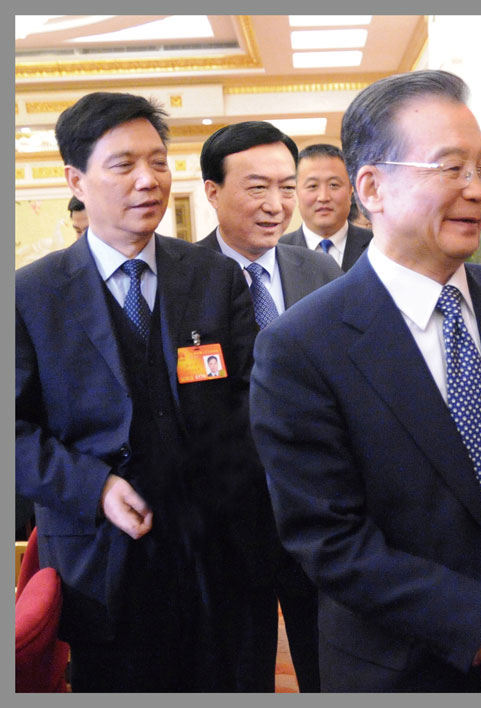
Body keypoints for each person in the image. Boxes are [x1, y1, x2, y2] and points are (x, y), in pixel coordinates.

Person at [248, 69, 481, 692]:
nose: (478, 191)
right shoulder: (302, 345)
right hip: (400, 670)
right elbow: (329, 538)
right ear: (372, 186)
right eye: (451, 168)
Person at [16, 91, 261, 691]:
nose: (149, 180)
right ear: (76, 180)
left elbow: (252, 403)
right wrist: (95, 488)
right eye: (123, 165)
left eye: (158, 161)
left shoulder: (214, 276)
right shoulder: (30, 295)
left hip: (218, 554)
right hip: (103, 561)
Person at [197, 120, 342, 692]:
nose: (277, 205)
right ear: (212, 191)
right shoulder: (185, 278)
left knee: (327, 663)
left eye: (287, 187)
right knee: (241, 669)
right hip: (225, 519)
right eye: (257, 188)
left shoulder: (319, 270)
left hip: (317, 506)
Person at [280, 143, 373, 272]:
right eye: (312, 186)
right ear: (296, 191)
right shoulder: (276, 252)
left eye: (333, 185)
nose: (323, 197)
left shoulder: (377, 246)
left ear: (350, 189)